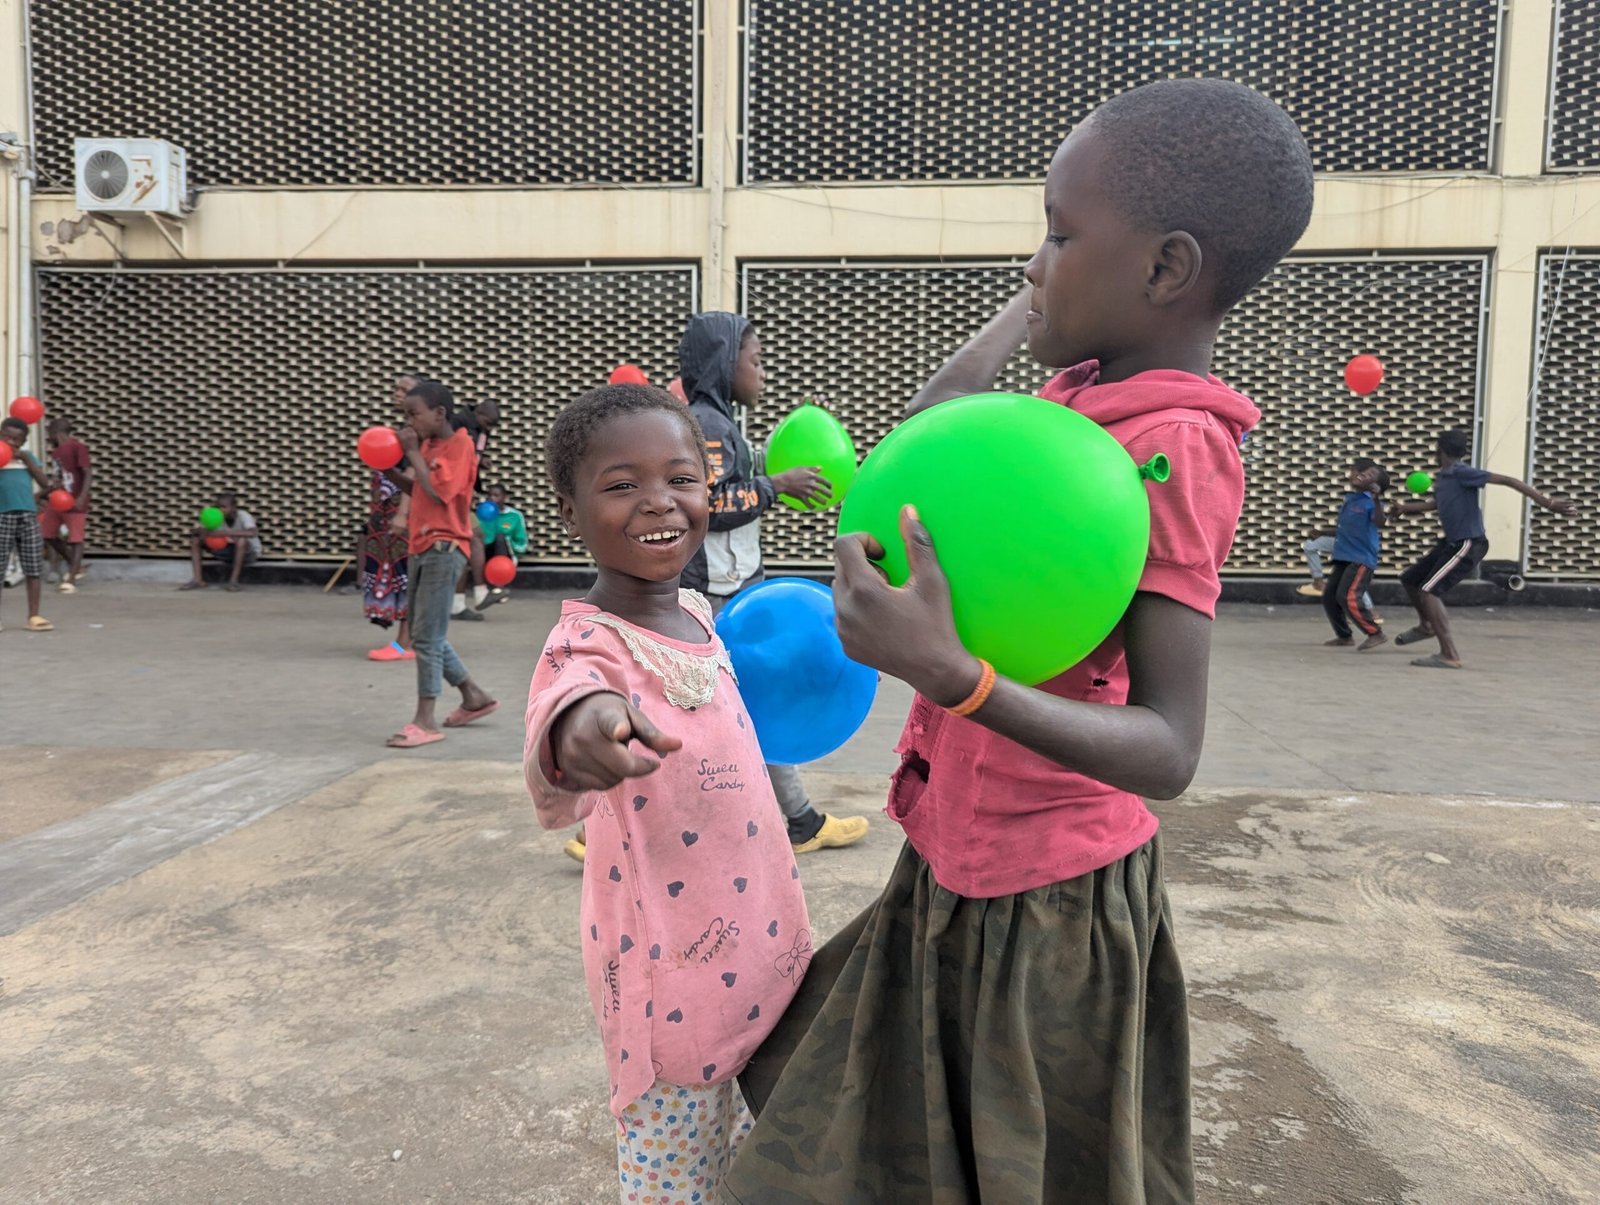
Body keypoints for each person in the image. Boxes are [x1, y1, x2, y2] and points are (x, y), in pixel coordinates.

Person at [722, 78, 1311, 1204]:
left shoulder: (1172, 446)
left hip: (1046, 912)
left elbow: (1168, 745)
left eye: (1058, 229)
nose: (1035, 260)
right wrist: (1035, 296)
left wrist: (959, 678)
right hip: (955, 858)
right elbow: (933, 422)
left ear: (1165, 268)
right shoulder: (1077, 396)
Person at [524, 383, 810, 1204]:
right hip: (672, 988)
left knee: (754, 1164)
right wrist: (590, 727)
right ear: (569, 509)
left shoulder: (695, 611)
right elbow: (571, 704)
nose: (659, 503)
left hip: (764, 953)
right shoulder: (585, 643)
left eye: (681, 478)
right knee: (676, 1182)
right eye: (621, 485)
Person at [678, 310, 869, 855]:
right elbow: (709, 503)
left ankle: (800, 819)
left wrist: (769, 472)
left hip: (731, 588)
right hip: (715, 594)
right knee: (735, 707)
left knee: (755, 705)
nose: (763, 372)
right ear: (722, 362)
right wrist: (774, 484)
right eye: (755, 360)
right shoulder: (708, 425)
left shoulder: (715, 424)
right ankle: (607, 826)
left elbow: (729, 476)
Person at [1388, 427, 1576, 669]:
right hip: (1451, 542)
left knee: (1429, 592)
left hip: (1469, 543)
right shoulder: (1444, 476)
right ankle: (1426, 626)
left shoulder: (1463, 472)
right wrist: (1405, 508)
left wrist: (1547, 502)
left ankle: (1449, 654)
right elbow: (1437, 504)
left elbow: (1509, 480)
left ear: (1440, 449)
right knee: (1410, 579)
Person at [381, 380, 497, 747]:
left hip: (444, 548)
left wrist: (412, 453)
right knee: (422, 634)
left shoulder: (461, 444)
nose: (408, 422)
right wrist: (389, 471)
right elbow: (420, 489)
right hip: (422, 546)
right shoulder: (429, 446)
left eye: (413, 414)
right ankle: (473, 695)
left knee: (427, 639)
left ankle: (425, 720)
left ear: (440, 414)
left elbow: (441, 491)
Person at [362, 373, 422, 662]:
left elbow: (412, 473)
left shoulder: (416, 434)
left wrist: (402, 513)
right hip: (385, 515)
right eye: (397, 388)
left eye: (405, 389)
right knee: (399, 575)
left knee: (406, 576)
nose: (397, 393)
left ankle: (404, 642)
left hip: (403, 514)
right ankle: (407, 639)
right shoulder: (403, 431)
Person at [1319, 461, 1389, 651]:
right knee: (1330, 596)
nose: (1360, 475)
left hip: (1361, 559)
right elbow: (1346, 529)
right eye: (1360, 472)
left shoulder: (1371, 502)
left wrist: (1376, 499)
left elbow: (1380, 521)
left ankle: (1375, 633)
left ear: (1376, 485)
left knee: (1348, 596)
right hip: (1344, 556)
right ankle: (1344, 636)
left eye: (1369, 474)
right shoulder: (1351, 500)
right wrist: (1323, 532)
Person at [448, 398, 501, 620]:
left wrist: (481, 462)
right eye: (488, 422)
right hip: (451, 495)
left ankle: (460, 603)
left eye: (493, 426)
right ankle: (478, 594)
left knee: (470, 543)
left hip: (465, 495)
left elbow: (471, 459)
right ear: (478, 413)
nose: (489, 429)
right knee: (473, 540)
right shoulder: (458, 424)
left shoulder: (480, 430)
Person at [0, 417, 54, 631]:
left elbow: (44, 483)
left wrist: (26, 460)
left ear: (23, 442)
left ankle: (34, 615)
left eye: (16, 439)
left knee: (33, 566)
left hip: (28, 516)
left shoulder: (27, 458)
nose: (11, 442)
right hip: (2, 515)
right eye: (6, 437)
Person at [41, 416, 91, 593]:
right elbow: (58, 479)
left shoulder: (77, 447)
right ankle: (76, 565)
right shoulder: (56, 452)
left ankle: (71, 578)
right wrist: (44, 495)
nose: (49, 438)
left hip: (75, 500)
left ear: (56, 433)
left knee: (76, 538)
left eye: (49, 434)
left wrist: (81, 497)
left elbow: (87, 473)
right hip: (58, 500)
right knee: (48, 534)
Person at [181, 492, 261, 591]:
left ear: (233, 507)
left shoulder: (243, 515)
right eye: (218, 507)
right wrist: (202, 531)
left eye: (224, 507)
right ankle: (198, 580)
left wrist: (225, 533)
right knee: (195, 540)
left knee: (241, 540)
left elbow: (253, 532)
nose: (221, 510)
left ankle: (233, 582)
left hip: (248, 554)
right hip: (226, 552)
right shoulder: (215, 517)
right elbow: (199, 532)